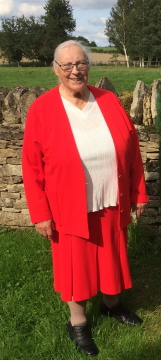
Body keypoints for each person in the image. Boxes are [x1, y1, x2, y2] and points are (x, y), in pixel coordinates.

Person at [22, 40, 149, 356]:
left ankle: (111, 304)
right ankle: (78, 321)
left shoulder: (107, 99)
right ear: (56, 70)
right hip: (67, 205)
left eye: (81, 63)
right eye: (67, 65)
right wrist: (40, 213)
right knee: (74, 264)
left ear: (88, 66)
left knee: (112, 255)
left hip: (110, 195)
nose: (75, 71)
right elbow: (31, 165)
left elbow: (131, 149)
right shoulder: (42, 108)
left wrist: (138, 193)